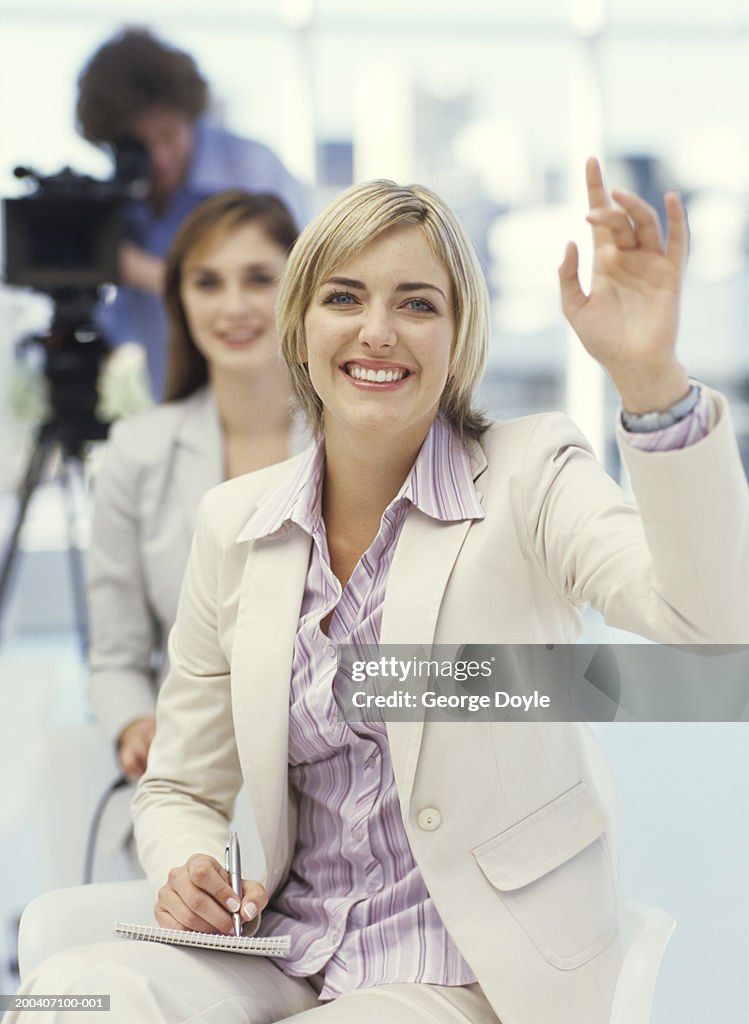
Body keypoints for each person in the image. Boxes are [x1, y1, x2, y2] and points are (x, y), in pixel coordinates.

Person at [13, 161, 749, 1023]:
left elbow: (710, 622)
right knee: (76, 1001)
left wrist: (650, 384)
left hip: (470, 968)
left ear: (458, 337)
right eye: (343, 298)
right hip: (292, 947)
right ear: (299, 331)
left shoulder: (532, 473)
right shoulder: (235, 524)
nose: (378, 330)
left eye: (417, 303)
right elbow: (180, 785)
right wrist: (186, 864)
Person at [87, 189, 305, 785]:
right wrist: (134, 723)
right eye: (206, 282)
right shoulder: (136, 451)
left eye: (259, 278)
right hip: (197, 781)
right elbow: (116, 658)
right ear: (180, 299)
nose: (233, 306)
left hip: (345, 781)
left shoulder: (363, 441)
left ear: (301, 288)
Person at [76, 27, 307, 398]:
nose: (159, 159)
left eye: (168, 136)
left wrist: (137, 269)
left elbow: (299, 292)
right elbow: (122, 326)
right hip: (174, 410)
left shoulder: (252, 171)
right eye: (139, 145)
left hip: (270, 409)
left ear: (190, 117)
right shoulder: (120, 205)